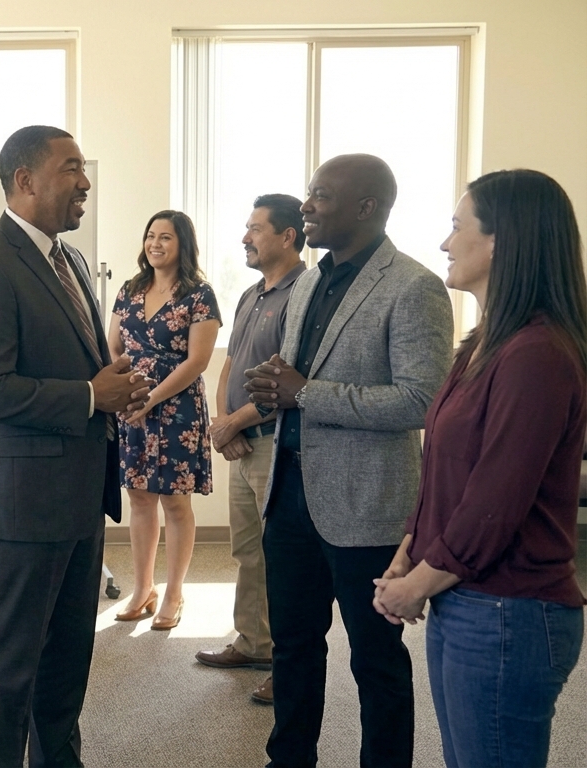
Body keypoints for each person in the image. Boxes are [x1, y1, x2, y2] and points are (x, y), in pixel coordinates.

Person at [0, 125, 152, 767]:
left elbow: (73, 366)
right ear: (25, 181)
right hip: (23, 503)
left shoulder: (68, 260)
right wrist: (91, 397)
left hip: (78, 495)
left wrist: (113, 391)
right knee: (12, 664)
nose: (85, 182)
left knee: (67, 658)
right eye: (71, 169)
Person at [245, 153, 454, 768]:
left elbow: (419, 400)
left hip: (366, 506)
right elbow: (294, 377)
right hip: (289, 498)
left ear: (366, 207)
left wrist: (305, 393)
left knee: (376, 661)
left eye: (321, 195)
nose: (306, 205)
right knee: (293, 650)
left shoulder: (414, 286)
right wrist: (273, 385)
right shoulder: (310, 279)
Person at [374, 169, 587, 768]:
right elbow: (444, 465)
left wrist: (416, 584)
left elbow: (496, 500)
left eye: (455, 226)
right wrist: (409, 550)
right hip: (467, 598)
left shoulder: (538, 354)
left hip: (509, 611)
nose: (444, 243)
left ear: (500, 241)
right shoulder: (485, 344)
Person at [196, 194, 307, 705]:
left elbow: (289, 381)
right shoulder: (249, 295)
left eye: (256, 229)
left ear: (287, 236)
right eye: (246, 227)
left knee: (283, 559)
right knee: (248, 553)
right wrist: (224, 423)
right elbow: (230, 366)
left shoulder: (303, 293)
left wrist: (235, 424)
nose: (245, 237)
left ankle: (289, 664)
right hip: (241, 443)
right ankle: (254, 641)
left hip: (275, 444)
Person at [111, 209, 221, 630]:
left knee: (175, 501)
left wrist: (152, 396)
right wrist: (125, 392)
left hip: (177, 408)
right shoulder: (130, 288)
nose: (155, 244)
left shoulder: (199, 294)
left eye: (166, 238)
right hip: (133, 405)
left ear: (183, 245)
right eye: (150, 236)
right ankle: (143, 588)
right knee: (139, 498)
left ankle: (174, 591)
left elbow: (197, 361)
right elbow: (113, 348)